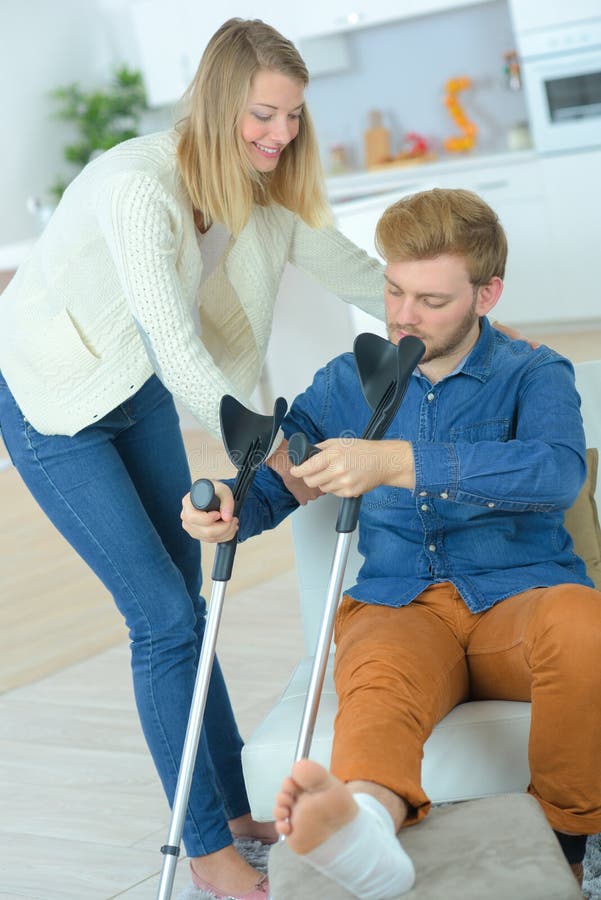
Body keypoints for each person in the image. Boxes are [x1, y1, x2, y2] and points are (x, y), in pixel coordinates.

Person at [0, 18, 398, 900]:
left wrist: (432, 313)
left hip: (130, 389)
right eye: (264, 113)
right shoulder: (139, 186)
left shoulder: (253, 187)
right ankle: (205, 843)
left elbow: (339, 261)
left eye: (292, 117)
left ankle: (230, 804)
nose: (280, 135)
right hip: (53, 402)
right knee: (161, 619)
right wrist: (265, 444)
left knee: (192, 606)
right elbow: (176, 342)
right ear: (220, 101)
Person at [182, 187, 601, 898]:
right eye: (393, 290)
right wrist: (229, 507)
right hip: (402, 603)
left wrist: (400, 462)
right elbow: (287, 481)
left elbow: (557, 471)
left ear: (485, 294)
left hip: (520, 601)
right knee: (375, 675)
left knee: (585, 627)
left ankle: (563, 848)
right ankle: (368, 833)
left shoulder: (534, 373)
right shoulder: (348, 381)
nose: (403, 315)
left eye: (431, 301)